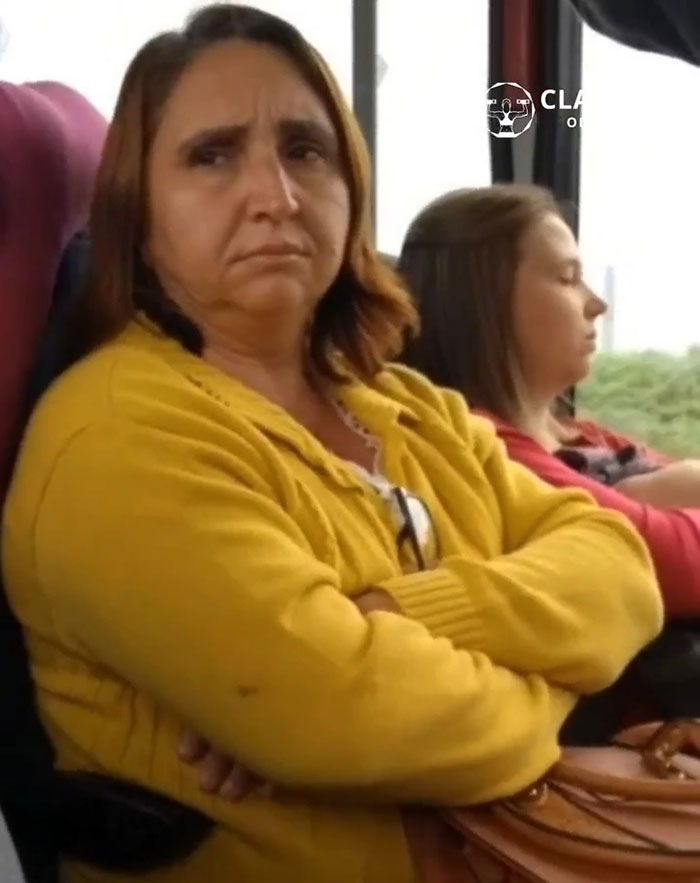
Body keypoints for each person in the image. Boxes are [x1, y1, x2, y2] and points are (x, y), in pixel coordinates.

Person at [1, 7, 661, 883]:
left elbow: (623, 569)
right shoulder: (112, 438)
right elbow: (357, 719)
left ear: (350, 191)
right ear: (140, 217)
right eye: (213, 155)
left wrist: (400, 615)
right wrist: (557, 678)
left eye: (306, 150)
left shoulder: (407, 405)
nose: (275, 196)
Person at [398, 184, 700, 620]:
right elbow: (671, 565)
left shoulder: (583, 435)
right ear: (487, 301)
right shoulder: (483, 449)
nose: (597, 304)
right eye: (567, 278)